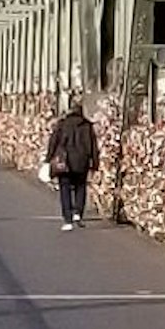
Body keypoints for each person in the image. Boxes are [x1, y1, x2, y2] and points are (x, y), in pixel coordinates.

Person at [44, 98, 100, 231]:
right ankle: (78, 213)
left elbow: (54, 142)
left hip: (65, 162)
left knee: (65, 189)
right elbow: (93, 146)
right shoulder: (87, 126)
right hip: (82, 161)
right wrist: (95, 164)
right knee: (81, 187)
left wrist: (48, 159)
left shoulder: (62, 124)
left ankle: (67, 219)